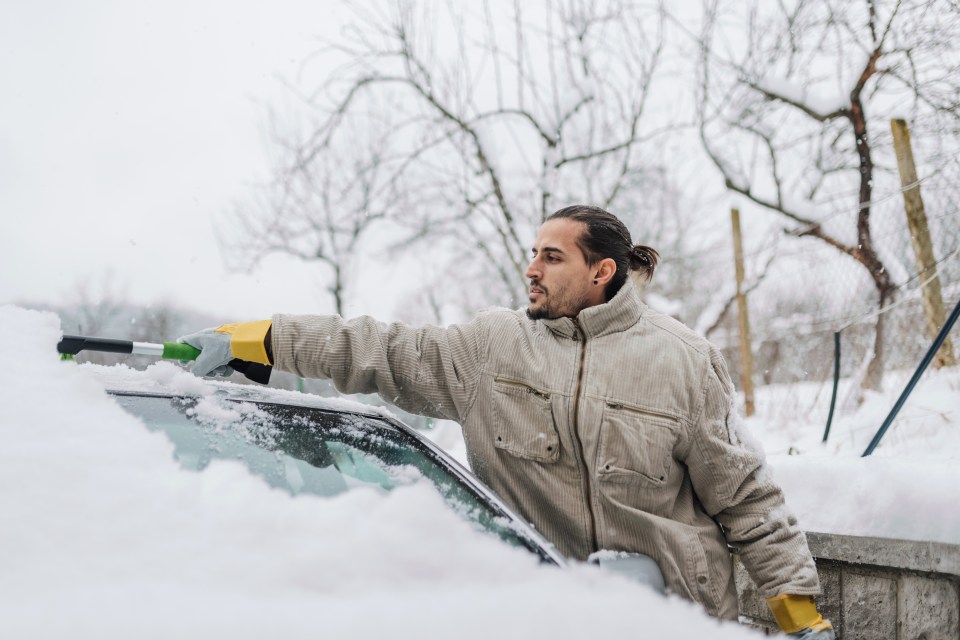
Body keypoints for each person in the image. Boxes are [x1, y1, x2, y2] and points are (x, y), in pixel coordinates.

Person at [182, 205, 833, 636]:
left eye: (552, 256)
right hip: (547, 618)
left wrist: (798, 611)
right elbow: (376, 349)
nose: (531, 268)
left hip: (673, 621)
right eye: (533, 253)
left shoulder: (683, 361)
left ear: (602, 272)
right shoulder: (491, 350)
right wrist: (265, 339)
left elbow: (745, 497)